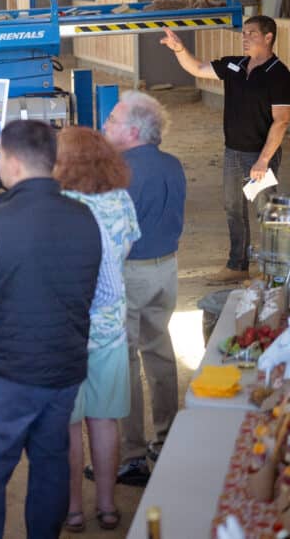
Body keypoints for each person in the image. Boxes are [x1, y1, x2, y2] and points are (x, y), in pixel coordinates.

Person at [0, 120, 106, 539]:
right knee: (51, 461)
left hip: (5, 374)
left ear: (13, 162)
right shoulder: (88, 218)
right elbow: (107, 293)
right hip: (65, 370)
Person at [53, 127, 140, 532]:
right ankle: (107, 506)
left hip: (63, 328)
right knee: (104, 420)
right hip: (108, 324)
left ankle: (72, 509)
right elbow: (128, 248)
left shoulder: (57, 202)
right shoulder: (120, 200)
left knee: (68, 423)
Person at [160, 17, 290, 284]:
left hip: (260, 154)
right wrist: (178, 49)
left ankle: (276, 269)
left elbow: (281, 121)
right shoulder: (234, 64)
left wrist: (264, 160)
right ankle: (237, 264)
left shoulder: (279, 74)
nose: (244, 37)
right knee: (233, 207)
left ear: (268, 38)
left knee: (267, 209)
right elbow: (196, 68)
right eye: (243, 33)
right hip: (233, 151)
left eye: (251, 33)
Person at [103, 90, 186, 487]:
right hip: (166, 269)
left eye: (113, 119)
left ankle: (132, 454)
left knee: (123, 362)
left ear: (133, 130)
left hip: (130, 273)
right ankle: (168, 437)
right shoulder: (173, 165)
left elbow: (118, 237)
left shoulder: (119, 172)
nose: (106, 124)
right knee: (159, 351)